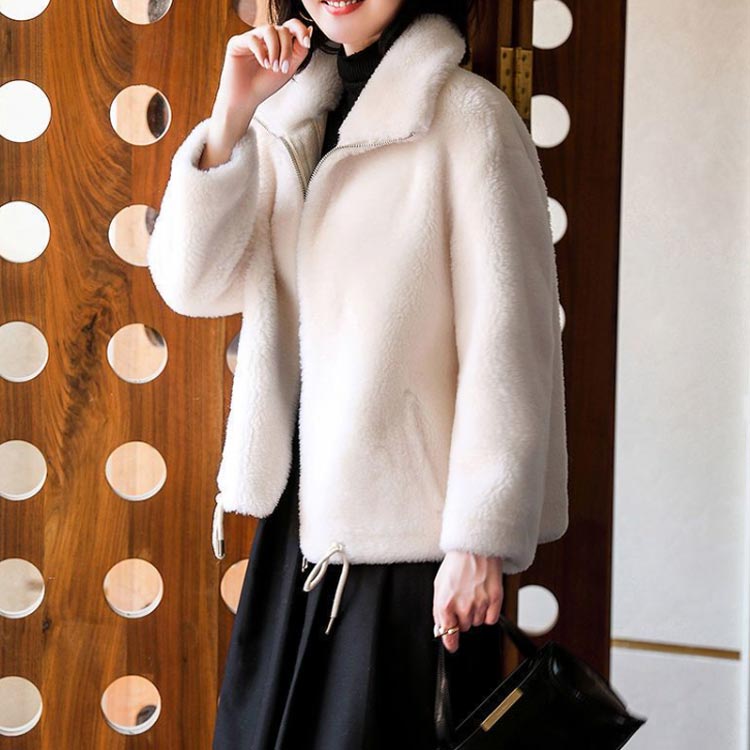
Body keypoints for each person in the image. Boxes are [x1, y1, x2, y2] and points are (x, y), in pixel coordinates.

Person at [147, 1, 569, 747]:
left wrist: (480, 540)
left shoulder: (469, 117)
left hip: (409, 553)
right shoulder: (290, 117)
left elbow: (510, 343)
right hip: (295, 535)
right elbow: (193, 285)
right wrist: (232, 116)